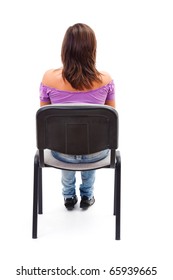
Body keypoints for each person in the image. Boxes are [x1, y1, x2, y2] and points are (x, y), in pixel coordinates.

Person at [39, 23, 115, 210]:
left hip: (60, 152)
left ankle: (68, 197)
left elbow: (47, 122)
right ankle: (87, 196)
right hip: (96, 153)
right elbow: (110, 121)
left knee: (66, 143)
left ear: (65, 49)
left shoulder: (48, 78)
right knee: (91, 143)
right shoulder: (106, 80)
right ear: (92, 50)